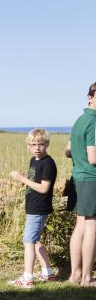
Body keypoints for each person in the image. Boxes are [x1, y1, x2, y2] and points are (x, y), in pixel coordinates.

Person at [8, 128, 58, 288]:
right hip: (33, 207)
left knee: (28, 241)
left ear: (47, 144)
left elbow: (44, 188)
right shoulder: (34, 160)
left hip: (39, 208)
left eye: (41, 144)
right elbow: (35, 181)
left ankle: (27, 278)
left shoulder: (48, 163)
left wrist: (22, 178)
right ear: (28, 146)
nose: (37, 147)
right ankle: (47, 273)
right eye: (33, 144)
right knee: (35, 240)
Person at [67, 82, 96, 286]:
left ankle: (74, 275)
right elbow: (93, 157)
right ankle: (86, 278)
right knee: (92, 226)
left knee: (80, 226)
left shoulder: (79, 120)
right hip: (91, 178)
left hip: (78, 177)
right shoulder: (94, 121)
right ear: (90, 97)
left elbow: (68, 151)